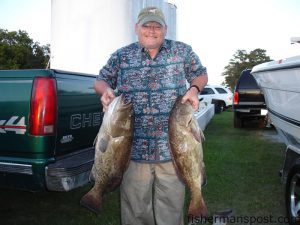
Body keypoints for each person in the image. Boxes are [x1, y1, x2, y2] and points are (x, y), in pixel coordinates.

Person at [94, 6, 208, 225]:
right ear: (137, 28)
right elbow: (100, 80)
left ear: (165, 29)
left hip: (175, 153)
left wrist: (194, 89)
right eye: (147, 25)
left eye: (157, 26)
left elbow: (201, 74)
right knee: (136, 213)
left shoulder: (181, 51)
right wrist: (106, 90)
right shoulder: (121, 55)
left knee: (171, 212)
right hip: (132, 151)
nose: (152, 30)